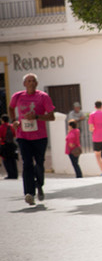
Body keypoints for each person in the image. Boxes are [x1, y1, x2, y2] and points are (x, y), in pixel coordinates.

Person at [8, 72, 55, 205]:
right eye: (28, 81)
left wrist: (37, 117)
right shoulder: (17, 96)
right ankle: (29, 193)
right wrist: (14, 121)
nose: (31, 83)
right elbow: (11, 108)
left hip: (40, 137)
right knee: (27, 163)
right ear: (24, 84)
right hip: (23, 136)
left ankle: (39, 184)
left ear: (37, 83)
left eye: (33, 80)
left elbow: (51, 116)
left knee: (39, 164)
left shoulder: (43, 97)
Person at [0, 113, 19, 180]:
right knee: (13, 160)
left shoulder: (1, 127)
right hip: (12, 145)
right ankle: (15, 174)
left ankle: (10, 174)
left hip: (4, 145)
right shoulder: (11, 126)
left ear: (2, 120)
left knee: (6, 160)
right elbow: (14, 134)